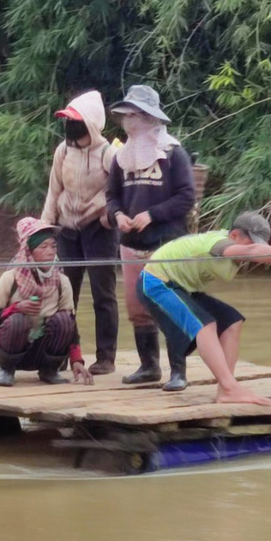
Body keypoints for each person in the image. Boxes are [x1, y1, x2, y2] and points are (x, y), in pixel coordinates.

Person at [137, 211, 271, 405]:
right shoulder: (218, 244)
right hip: (157, 282)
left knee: (232, 321)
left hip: (183, 287)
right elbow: (253, 252)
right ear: (234, 235)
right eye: (252, 243)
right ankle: (230, 387)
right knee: (205, 326)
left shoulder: (242, 248)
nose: (255, 250)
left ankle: (225, 390)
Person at [105, 84, 197, 387]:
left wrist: (152, 214)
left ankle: (178, 371)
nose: (130, 122)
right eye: (126, 116)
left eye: (136, 115)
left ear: (150, 118)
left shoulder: (173, 153)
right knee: (136, 306)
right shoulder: (120, 158)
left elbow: (187, 197)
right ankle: (148, 366)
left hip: (166, 241)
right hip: (131, 243)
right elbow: (112, 196)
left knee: (169, 305)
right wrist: (118, 215)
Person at [39, 89, 120, 376]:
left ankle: (106, 358)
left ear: (92, 124)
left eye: (78, 125)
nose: (72, 131)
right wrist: (42, 232)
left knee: (103, 295)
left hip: (99, 230)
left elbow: (118, 193)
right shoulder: (63, 151)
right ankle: (63, 354)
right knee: (63, 295)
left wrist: (103, 209)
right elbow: (54, 191)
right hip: (67, 230)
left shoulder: (110, 154)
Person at [0, 218, 91, 387]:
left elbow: (71, 324)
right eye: (43, 247)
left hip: (43, 348)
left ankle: (49, 370)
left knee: (64, 320)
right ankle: (6, 370)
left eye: (53, 246)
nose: (51, 252)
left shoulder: (62, 281)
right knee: (17, 321)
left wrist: (77, 360)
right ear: (29, 251)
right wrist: (15, 308)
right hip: (13, 344)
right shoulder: (10, 278)